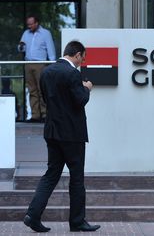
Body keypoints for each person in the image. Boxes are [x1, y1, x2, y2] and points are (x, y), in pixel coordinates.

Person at [23, 40, 100, 232]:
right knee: (76, 178)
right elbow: (80, 100)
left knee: (51, 174)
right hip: (72, 134)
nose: (82, 62)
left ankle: (32, 215)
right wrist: (87, 88)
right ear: (77, 54)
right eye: (82, 58)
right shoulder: (73, 73)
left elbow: (47, 98)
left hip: (52, 131)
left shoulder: (46, 72)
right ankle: (77, 221)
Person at [18, 15, 56, 122]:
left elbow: (51, 50)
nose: (29, 26)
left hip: (40, 64)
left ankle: (45, 114)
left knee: (42, 89)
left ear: (37, 23)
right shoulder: (26, 33)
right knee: (32, 90)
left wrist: (52, 65)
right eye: (28, 24)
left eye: (31, 24)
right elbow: (21, 48)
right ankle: (35, 115)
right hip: (28, 63)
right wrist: (20, 46)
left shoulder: (45, 33)